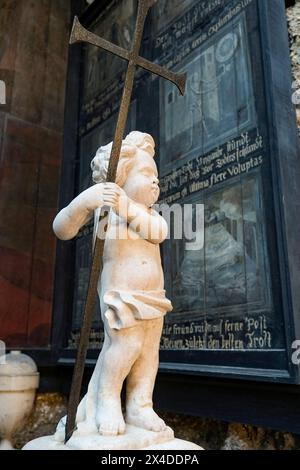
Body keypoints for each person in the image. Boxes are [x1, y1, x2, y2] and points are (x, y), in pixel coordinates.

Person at [53, 131, 173, 438]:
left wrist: (127, 207)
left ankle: (139, 405)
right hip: (121, 294)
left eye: (155, 175)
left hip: (153, 295)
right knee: (124, 346)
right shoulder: (105, 214)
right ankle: (107, 399)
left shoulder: (147, 215)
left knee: (148, 352)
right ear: (119, 179)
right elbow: (62, 229)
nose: (155, 181)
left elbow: (158, 232)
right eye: (147, 174)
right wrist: (85, 201)